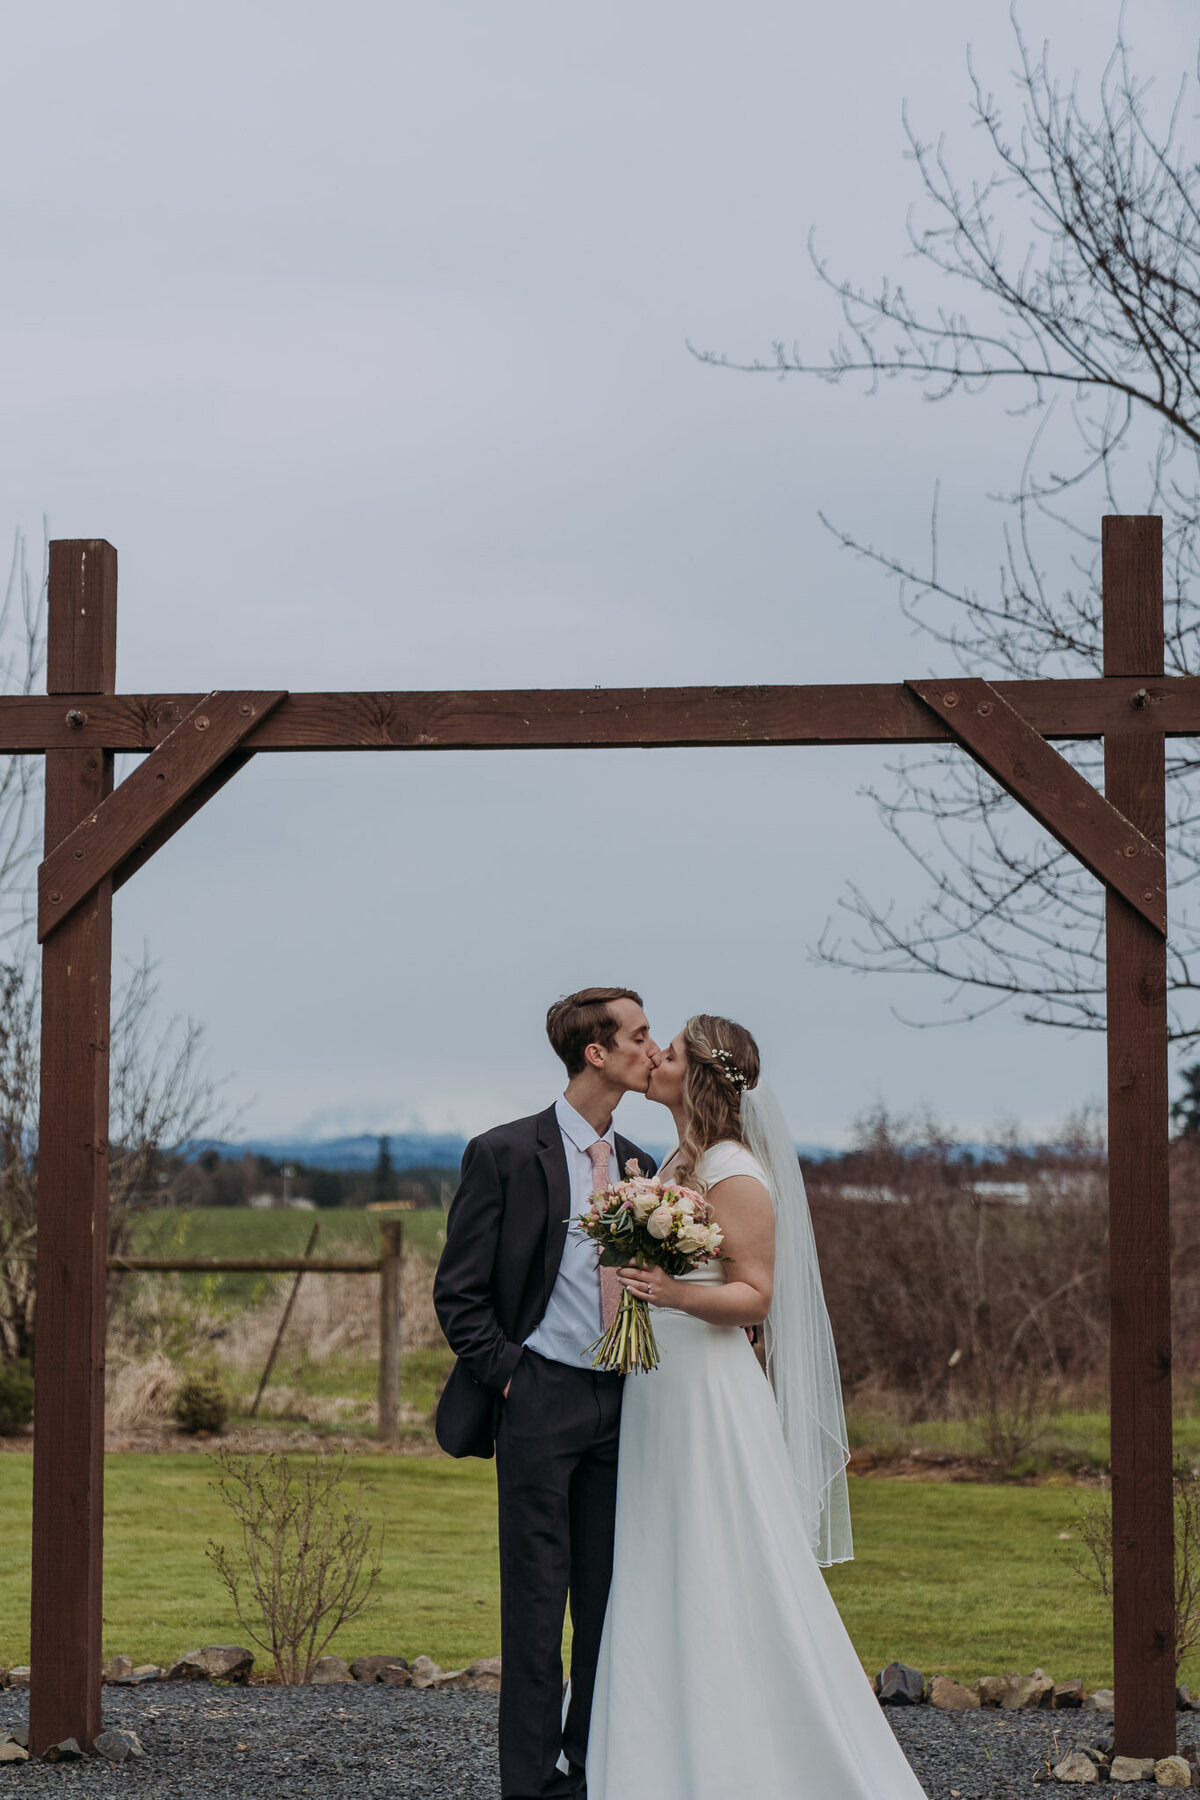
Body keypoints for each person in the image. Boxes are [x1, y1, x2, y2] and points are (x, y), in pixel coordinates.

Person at [586, 1014, 929, 1800]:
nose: (654, 1057)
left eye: (667, 1051)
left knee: (720, 1553)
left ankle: (749, 1751)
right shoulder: (680, 1158)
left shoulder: (733, 1168)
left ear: (699, 1075)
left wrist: (667, 1291)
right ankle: (656, 1754)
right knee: (661, 1551)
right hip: (660, 1386)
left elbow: (758, 1297)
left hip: (706, 1387)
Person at [433, 986, 659, 1800]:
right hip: (538, 1400)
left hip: (624, 1407)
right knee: (536, 1607)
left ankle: (596, 1769)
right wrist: (513, 1378)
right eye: (638, 1035)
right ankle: (531, 1787)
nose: (651, 1047)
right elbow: (459, 1294)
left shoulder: (643, 1163)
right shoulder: (501, 1153)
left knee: (608, 1604)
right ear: (595, 1053)